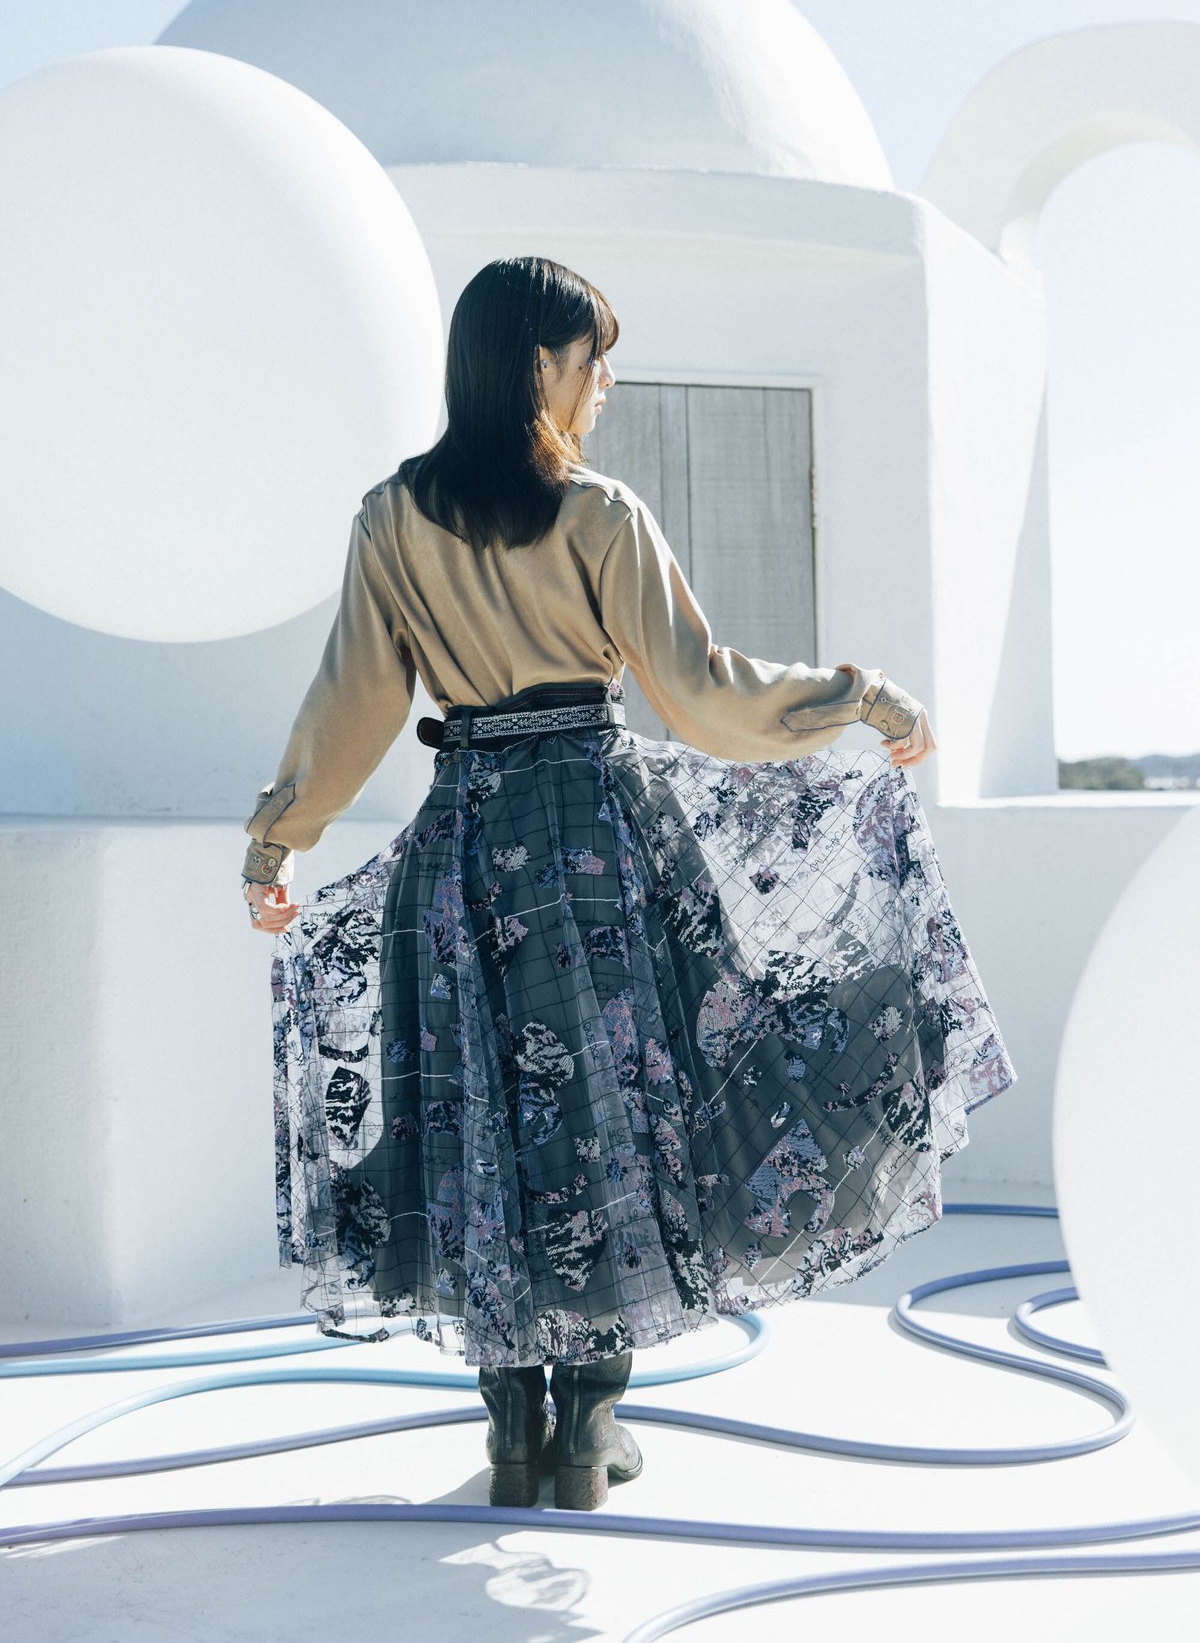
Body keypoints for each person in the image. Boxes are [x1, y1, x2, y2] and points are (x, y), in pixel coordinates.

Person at [240, 256, 1015, 1513]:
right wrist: (861, 696)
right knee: (609, 1120)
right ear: (538, 363)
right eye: (593, 359)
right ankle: (591, 1427)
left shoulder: (391, 517)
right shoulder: (598, 514)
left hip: (459, 853)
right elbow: (703, 694)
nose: (604, 384)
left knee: (481, 1121)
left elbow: (355, 703)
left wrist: (280, 839)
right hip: (590, 850)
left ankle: (512, 1426)